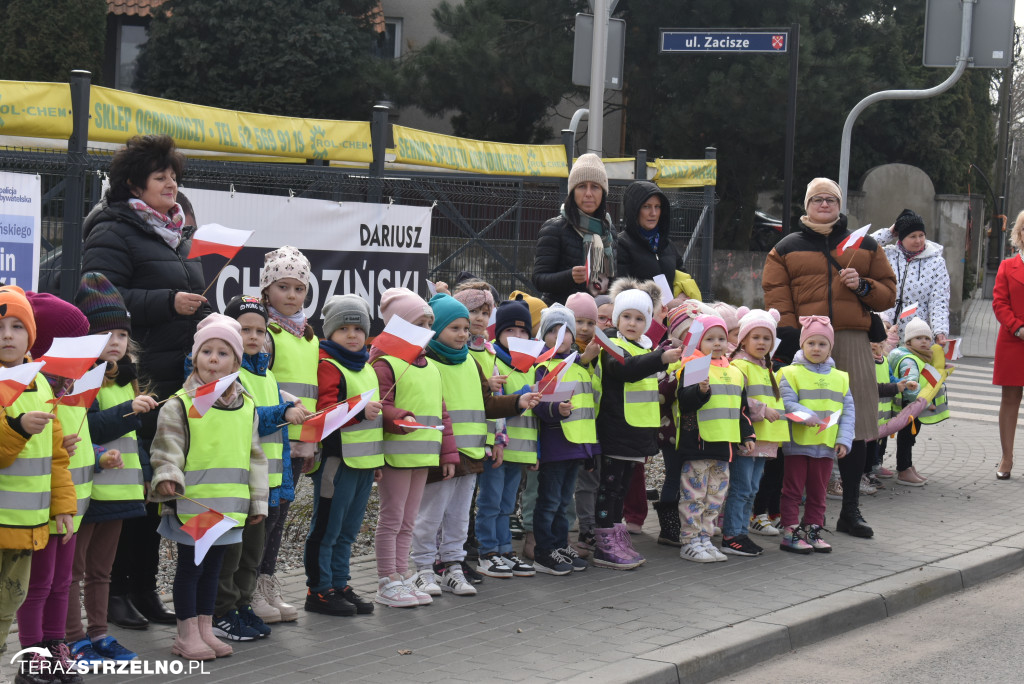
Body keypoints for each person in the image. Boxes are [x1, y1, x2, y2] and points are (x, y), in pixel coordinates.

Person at [81, 135, 205, 629]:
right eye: (161, 176)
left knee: (158, 487)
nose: (171, 183)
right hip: (138, 376)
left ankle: (144, 588)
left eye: (174, 175)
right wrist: (167, 302)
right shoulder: (113, 229)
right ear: (134, 183)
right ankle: (112, 595)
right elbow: (98, 295)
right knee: (129, 489)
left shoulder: (173, 234)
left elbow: (184, 293)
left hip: (176, 375)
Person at [762, 178, 896, 539]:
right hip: (805, 343)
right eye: (817, 199)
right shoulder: (785, 248)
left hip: (851, 339)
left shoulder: (864, 246)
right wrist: (792, 340)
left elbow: (888, 294)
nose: (824, 204)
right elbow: (777, 297)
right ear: (806, 206)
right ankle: (794, 510)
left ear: (839, 206)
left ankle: (850, 509)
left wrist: (863, 285)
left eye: (830, 199)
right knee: (800, 422)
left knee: (855, 425)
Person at [149, 314, 267, 660]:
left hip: (229, 507)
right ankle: (186, 634)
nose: (213, 360)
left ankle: (204, 629)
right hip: (194, 507)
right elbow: (166, 447)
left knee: (214, 570)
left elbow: (255, 458)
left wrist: (258, 503)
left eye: (223, 353)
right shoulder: (181, 404)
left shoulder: (247, 407)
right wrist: (167, 474)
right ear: (195, 357)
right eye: (207, 352)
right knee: (191, 570)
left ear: (236, 361)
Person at [411, 294, 534, 594]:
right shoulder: (428, 364)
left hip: (471, 456)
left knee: (458, 516)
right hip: (441, 456)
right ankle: (423, 569)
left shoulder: (470, 362)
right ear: (436, 329)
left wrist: (517, 402)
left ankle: (453, 566)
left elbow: (487, 404)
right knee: (430, 515)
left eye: (466, 328)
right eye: (454, 328)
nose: (464, 334)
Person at [64, 275, 157, 664]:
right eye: (106, 333)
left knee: (102, 571)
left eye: (121, 333)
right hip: (88, 491)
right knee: (74, 571)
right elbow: (88, 429)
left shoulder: (126, 378)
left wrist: (147, 474)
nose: (116, 341)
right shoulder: (81, 379)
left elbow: (132, 444)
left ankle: (100, 634)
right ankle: (73, 638)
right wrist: (126, 413)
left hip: (121, 491)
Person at [214, 296, 307, 638]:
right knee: (233, 551)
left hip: (266, 479)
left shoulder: (266, 373)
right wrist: (281, 413)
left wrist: (283, 484)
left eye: (260, 330)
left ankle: (241, 604)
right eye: (244, 329)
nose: (253, 336)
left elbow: (277, 438)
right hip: (242, 480)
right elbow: (244, 419)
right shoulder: (227, 372)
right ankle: (222, 610)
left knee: (253, 550)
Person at [0, 286, 76, 678]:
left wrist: (63, 505)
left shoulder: (42, 385)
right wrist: (16, 427)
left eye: (17, 326)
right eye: (0, 327)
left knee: (7, 606)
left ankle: (33, 660)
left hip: (28, 526)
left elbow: (57, 457)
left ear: (31, 335)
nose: (8, 335)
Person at [371, 288, 456, 608]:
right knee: (392, 518)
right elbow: (380, 405)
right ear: (399, 326)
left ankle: (401, 574)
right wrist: (397, 418)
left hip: (423, 454)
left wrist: (448, 453)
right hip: (396, 455)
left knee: (408, 520)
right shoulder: (386, 363)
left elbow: (443, 413)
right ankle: (385, 579)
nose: (426, 332)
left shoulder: (430, 367)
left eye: (428, 324)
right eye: (418, 324)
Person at [592, 279, 682, 569]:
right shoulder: (611, 344)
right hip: (616, 430)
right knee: (609, 488)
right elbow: (626, 370)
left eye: (639, 318)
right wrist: (660, 358)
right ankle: (604, 541)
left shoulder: (644, 345)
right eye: (626, 316)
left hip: (637, 432)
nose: (632, 323)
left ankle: (616, 535)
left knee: (622, 488)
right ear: (617, 318)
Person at [305, 295, 382, 616]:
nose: (352, 335)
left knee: (349, 530)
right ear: (330, 332)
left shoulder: (366, 367)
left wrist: (376, 462)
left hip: (364, 463)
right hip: (336, 462)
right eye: (344, 328)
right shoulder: (328, 365)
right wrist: (361, 413)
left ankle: (340, 582)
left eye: (358, 328)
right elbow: (325, 412)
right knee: (327, 529)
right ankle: (319, 590)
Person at [258, 245, 318, 622]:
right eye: (283, 287)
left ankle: (267, 579)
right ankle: (251, 585)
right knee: (264, 515)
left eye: (299, 288)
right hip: (271, 439)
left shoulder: (309, 336)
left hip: (300, 441)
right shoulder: (266, 333)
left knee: (280, 517)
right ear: (267, 291)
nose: (292, 295)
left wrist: (311, 441)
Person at [673, 314, 754, 563]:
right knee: (693, 497)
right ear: (699, 342)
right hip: (697, 444)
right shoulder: (694, 366)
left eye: (721, 338)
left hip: (724, 447)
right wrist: (700, 391)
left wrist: (747, 434)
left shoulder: (735, 371)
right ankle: (689, 540)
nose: (717, 343)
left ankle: (705, 538)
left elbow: (741, 409)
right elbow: (684, 401)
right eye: (710, 339)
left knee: (715, 498)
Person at [778, 316, 855, 554]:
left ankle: (812, 529)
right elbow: (786, 403)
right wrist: (806, 414)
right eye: (811, 343)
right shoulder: (789, 373)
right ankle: (790, 531)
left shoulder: (841, 377)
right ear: (802, 345)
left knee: (818, 491)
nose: (816, 348)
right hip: (797, 443)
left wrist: (844, 439)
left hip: (825, 444)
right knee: (792, 490)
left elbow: (848, 412)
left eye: (822, 344)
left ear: (830, 347)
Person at [532, 305, 597, 575]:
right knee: (548, 501)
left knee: (563, 501)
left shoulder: (581, 368)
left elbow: (588, 411)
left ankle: (560, 544)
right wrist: (554, 411)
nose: (561, 336)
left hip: (576, 446)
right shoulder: (542, 366)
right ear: (543, 336)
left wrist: (591, 451)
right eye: (553, 331)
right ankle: (544, 550)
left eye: (566, 331)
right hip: (554, 446)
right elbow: (538, 405)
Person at [722, 308, 787, 557]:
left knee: (751, 488)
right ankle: (732, 535)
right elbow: (739, 398)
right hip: (748, 437)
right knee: (741, 487)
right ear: (744, 339)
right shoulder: (740, 365)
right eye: (756, 337)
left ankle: (741, 533)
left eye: (767, 338)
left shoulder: (765, 366)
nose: (762, 343)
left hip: (764, 438)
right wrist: (763, 409)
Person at [532, 154, 616, 305]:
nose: (588, 193)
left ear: (603, 193)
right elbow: (539, 279)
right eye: (582, 186)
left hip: (599, 316)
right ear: (572, 192)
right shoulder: (554, 228)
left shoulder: (609, 230)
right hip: (562, 315)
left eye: (595, 187)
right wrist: (569, 277)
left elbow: (615, 278)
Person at [871, 210, 951, 344]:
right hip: (885, 331)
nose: (919, 241)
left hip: (917, 337)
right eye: (912, 236)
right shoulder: (887, 254)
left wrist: (940, 331)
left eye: (921, 235)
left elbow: (939, 300)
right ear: (901, 238)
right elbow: (860, 247)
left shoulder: (936, 262)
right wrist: (889, 233)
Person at [888, 318, 948, 486]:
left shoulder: (919, 356)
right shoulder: (910, 360)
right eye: (919, 338)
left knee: (910, 437)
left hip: (912, 406)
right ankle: (904, 469)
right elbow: (911, 385)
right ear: (908, 341)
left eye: (927, 338)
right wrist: (926, 404)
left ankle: (907, 466)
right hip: (910, 406)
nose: (924, 341)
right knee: (907, 437)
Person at [992, 210, 1024, 479]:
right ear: (1020, 234)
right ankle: (1007, 458)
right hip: (1014, 339)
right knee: (1010, 399)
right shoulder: (1006, 266)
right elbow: (999, 303)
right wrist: (1018, 327)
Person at [616, 180, 685, 286]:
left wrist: (683, 293)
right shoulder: (621, 245)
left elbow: (684, 278)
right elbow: (622, 291)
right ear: (634, 209)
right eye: (646, 206)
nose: (653, 213)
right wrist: (664, 302)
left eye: (657, 206)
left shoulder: (667, 245)